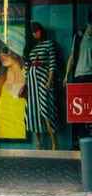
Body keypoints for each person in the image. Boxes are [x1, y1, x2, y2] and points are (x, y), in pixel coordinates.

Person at [24, 22, 59, 150]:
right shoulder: (30, 47)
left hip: (44, 77)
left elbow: (52, 63)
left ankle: (54, 141)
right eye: (34, 32)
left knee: (46, 109)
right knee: (32, 110)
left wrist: (50, 80)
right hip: (32, 79)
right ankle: (38, 143)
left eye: (37, 31)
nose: (36, 34)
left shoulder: (49, 44)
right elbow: (27, 66)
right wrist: (26, 83)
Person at [0, 30, 27, 140]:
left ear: (16, 52)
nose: (1, 54)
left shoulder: (29, 79)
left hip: (23, 138)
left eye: (5, 49)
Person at [64, 12, 92, 144]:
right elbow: (72, 57)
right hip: (80, 76)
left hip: (90, 76)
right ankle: (82, 139)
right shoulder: (79, 36)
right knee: (78, 111)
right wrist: (66, 76)